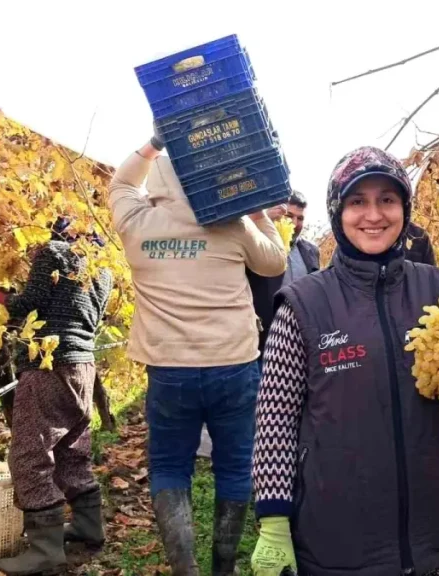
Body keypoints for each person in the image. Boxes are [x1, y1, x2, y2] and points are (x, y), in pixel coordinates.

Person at [250, 146, 439, 576]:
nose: (373, 215)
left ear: (404, 209)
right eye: (357, 202)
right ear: (338, 212)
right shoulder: (304, 305)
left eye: (387, 200)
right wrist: (273, 518)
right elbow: (275, 418)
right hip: (341, 540)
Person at [108, 137, 287, 576]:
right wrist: (256, 209)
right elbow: (275, 263)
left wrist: (153, 145)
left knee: (170, 465)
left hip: (169, 370)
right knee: (234, 465)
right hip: (234, 364)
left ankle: (185, 569)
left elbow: (120, 182)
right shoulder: (232, 226)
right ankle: (223, 568)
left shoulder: (137, 221)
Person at [0, 217, 113, 576]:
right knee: (70, 446)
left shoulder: (53, 252)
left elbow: (28, 303)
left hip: (48, 363)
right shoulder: (102, 268)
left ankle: (45, 549)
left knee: (30, 453)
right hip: (83, 365)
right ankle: (89, 526)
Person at [247, 190, 321, 359]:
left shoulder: (311, 251)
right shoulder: (258, 244)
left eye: (300, 218)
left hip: (303, 341)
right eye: (289, 215)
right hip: (264, 343)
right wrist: (263, 219)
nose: (295, 223)